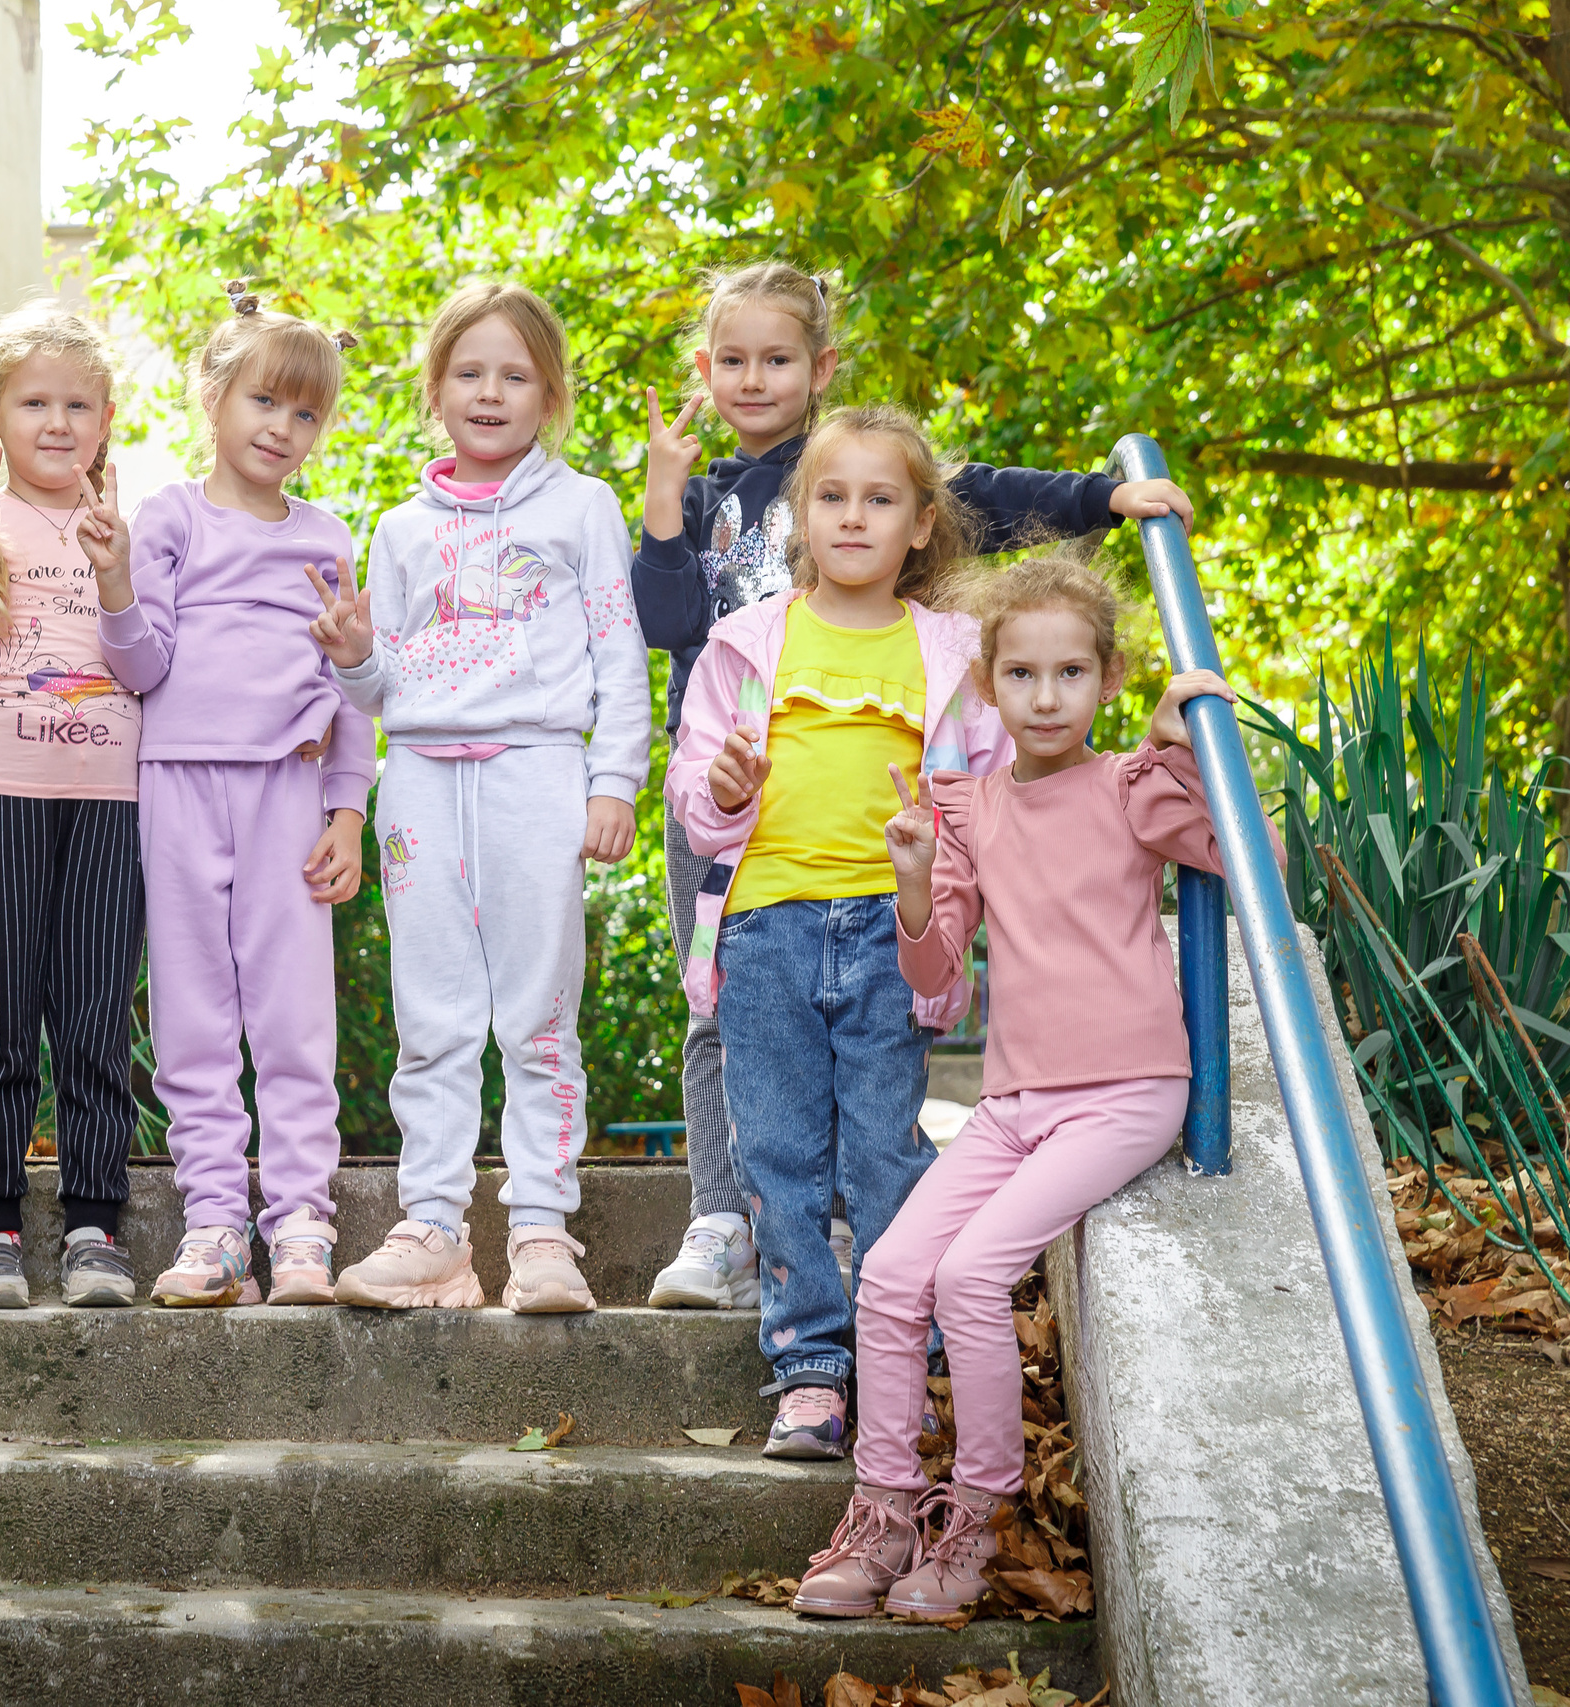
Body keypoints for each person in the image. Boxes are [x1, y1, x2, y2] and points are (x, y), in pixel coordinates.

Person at [629, 262, 1195, 1314]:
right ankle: (722, 1219)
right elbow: (664, 622)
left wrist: (1105, 499)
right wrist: (665, 494)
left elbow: (989, 495)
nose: (753, 379)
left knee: (869, 1029)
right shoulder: (701, 494)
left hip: (870, 817)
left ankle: (856, 1228)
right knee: (720, 1015)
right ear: (704, 371)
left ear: (821, 368)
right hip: (726, 791)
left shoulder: (855, 462)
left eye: (777, 358)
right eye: (732, 360)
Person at [792, 554, 1242, 1619]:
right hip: (1012, 1105)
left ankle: (975, 1524)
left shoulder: (1129, 787)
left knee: (970, 1275)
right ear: (988, 685)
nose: (1047, 697)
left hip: (1126, 1090)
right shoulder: (970, 808)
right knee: (890, 1272)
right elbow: (933, 977)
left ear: (1109, 677)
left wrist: (1188, 753)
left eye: (1071, 672)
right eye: (1023, 674)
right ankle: (883, 1513)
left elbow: (1246, 859)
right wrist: (912, 882)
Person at [666, 404, 1006, 1458]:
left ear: (920, 524)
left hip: (889, 932)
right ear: (800, 517)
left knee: (883, 1152)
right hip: (766, 924)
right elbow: (694, 795)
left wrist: (949, 871)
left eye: (880, 498)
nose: (853, 517)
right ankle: (809, 1368)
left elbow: (996, 794)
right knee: (776, 1153)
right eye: (832, 496)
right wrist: (726, 788)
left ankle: (899, 1354)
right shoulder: (747, 641)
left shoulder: (953, 652)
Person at [310, 279, 649, 1314]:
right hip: (419, 784)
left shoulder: (582, 506)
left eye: (515, 376)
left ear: (549, 396)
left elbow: (618, 650)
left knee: (539, 1017)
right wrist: (355, 657)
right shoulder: (400, 527)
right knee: (432, 1019)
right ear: (436, 388)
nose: (490, 393)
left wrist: (614, 780)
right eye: (469, 373)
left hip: (536, 775)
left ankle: (542, 1229)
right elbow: (376, 689)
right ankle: (435, 1230)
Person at [99, 284, 375, 1309]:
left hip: (289, 797)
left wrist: (348, 812)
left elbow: (352, 692)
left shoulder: (327, 536)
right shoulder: (168, 517)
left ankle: (300, 1221)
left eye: (306, 413)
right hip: (176, 787)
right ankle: (215, 1223)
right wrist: (116, 583)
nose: (283, 427)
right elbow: (140, 666)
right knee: (193, 1018)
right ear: (212, 396)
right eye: (265, 400)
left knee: (295, 1019)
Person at [0, 306, 149, 1309]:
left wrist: (116, 573)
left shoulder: (126, 532)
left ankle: (95, 1225)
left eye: (78, 405)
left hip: (109, 799)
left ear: (105, 420)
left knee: (94, 1015)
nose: (57, 422)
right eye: (35, 403)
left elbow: (146, 667)